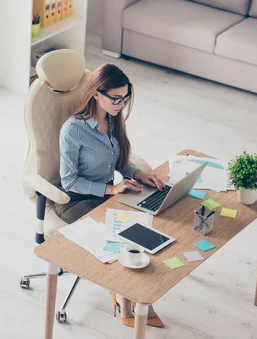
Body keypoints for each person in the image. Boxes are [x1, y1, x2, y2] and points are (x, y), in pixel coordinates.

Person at [55, 63, 165, 328]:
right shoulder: (73, 129)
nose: (121, 104)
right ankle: (127, 300)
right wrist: (111, 189)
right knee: (119, 233)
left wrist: (137, 174)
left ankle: (129, 297)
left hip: (105, 194)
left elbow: (117, 161)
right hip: (75, 199)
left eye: (125, 98)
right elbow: (70, 180)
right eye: (116, 98)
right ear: (96, 93)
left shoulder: (113, 120)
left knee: (143, 222)